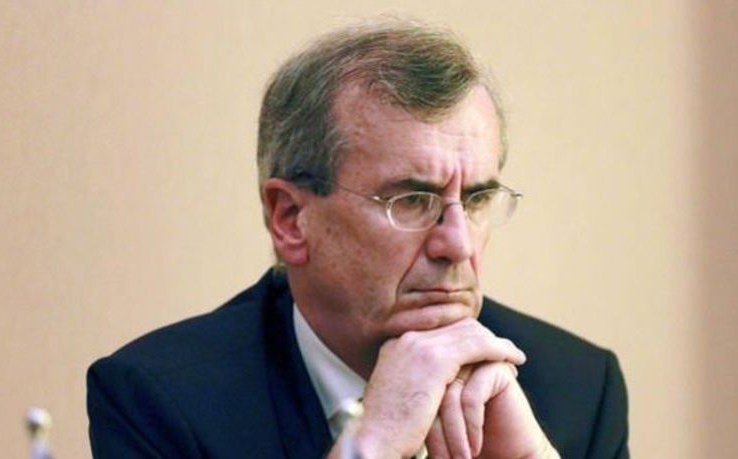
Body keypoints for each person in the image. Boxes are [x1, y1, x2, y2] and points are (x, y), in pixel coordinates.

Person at [87, 20, 628, 459]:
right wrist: (371, 444)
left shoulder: (576, 387)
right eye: (412, 200)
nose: (458, 244)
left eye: (478, 199)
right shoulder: (163, 399)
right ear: (290, 219)